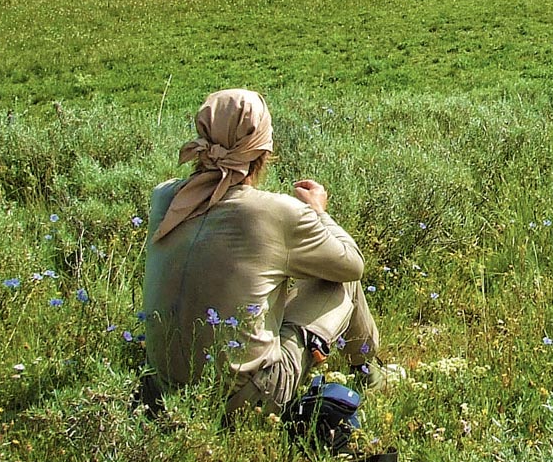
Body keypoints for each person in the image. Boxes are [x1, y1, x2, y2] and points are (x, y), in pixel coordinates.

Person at [140, 88, 383, 415]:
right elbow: (352, 264)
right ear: (262, 151)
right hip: (244, 401)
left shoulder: (163, 198)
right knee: (340, 281)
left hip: (164, 394)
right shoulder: (276, 212)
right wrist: (318, 213)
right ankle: (369, 373)